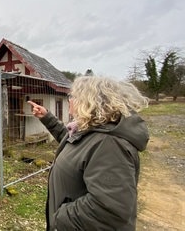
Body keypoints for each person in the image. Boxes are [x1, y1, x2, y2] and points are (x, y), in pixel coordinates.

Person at [28, 76, 149, 231]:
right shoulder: (90, 131)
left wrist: (61, 219)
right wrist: (47, 118)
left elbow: (109, 210)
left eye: (73, 96)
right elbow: (72, 143)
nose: (69, 100)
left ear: (89, 102)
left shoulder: (109, 144)